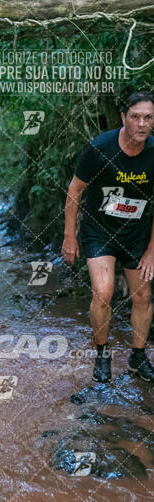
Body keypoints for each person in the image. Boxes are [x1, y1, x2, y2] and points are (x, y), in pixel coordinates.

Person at [62, 90, 154, 383]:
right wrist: (70, 236)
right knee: (103, 292)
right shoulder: (99, 148)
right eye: (136, 116)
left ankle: (138, 357)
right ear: (124, 118)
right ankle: (102, 353)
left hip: (137, 233)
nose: (141, 123)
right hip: (99, 230)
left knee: (143, 294)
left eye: (148, 117)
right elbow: (75, 190)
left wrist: (152, 250)